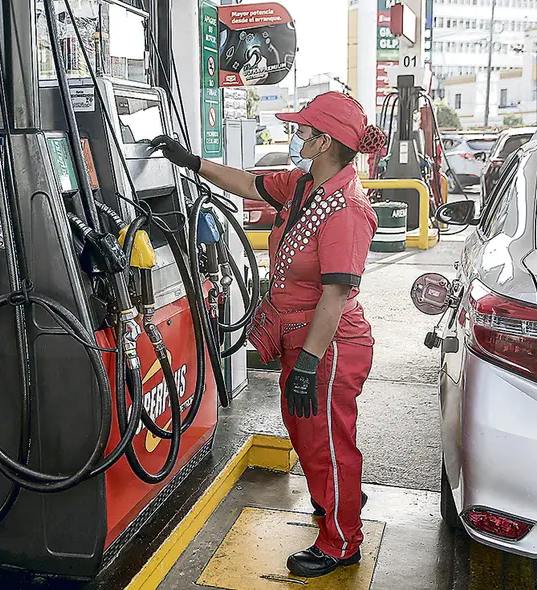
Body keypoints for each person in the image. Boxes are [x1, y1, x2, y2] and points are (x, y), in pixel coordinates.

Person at [151, 92, 385, 578]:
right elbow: (247, 183)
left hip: (329, 344)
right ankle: (335, 497)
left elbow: (335, 295)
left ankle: (342, 542)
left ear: (324, 142)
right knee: (306, 433)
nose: (296, 136)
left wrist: (308, 364)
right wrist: (190, 162)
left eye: (303, 131)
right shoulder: (304, 186)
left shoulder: (346, 209)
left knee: (327, 441)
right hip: (301, 337)